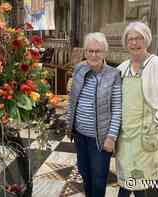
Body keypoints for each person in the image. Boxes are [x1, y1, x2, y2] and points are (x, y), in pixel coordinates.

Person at [115, 21, 158, 197]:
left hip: (144, 134)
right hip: (125, 136)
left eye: (139, 38)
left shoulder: (155, 64)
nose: (134, 43)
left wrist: (157, 120)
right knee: (126, 179)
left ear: (147, 40)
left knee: (137, 181)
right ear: (126, 42)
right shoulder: (123, 68)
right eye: (130, 39)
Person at [66, 32, 122, 197]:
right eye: (90, 51)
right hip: (79, 134)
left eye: (98, 51)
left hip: (100, 138)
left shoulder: (113, 75)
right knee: (84, 172)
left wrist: (111, 137)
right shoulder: (79, 69)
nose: (93, 55)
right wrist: (70, 124)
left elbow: (117, 108)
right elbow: (72, 99)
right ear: (85, 52)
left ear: (105, 53)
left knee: (98, 177)